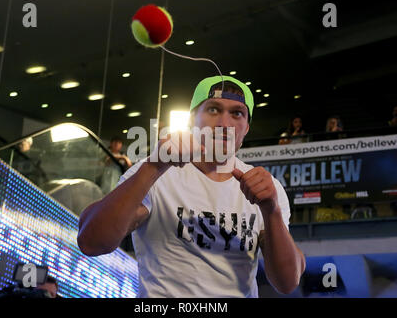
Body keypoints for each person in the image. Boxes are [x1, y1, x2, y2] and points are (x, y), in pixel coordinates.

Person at [77, 76, 306, 297]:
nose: (224, 123)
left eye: (237, 113)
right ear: (192, 119)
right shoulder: (157, 172)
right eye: (213, 109)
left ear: (246, 128)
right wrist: (153, 167)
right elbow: (91, 241)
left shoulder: (265, 187)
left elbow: (287, 282)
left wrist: (272, 211)